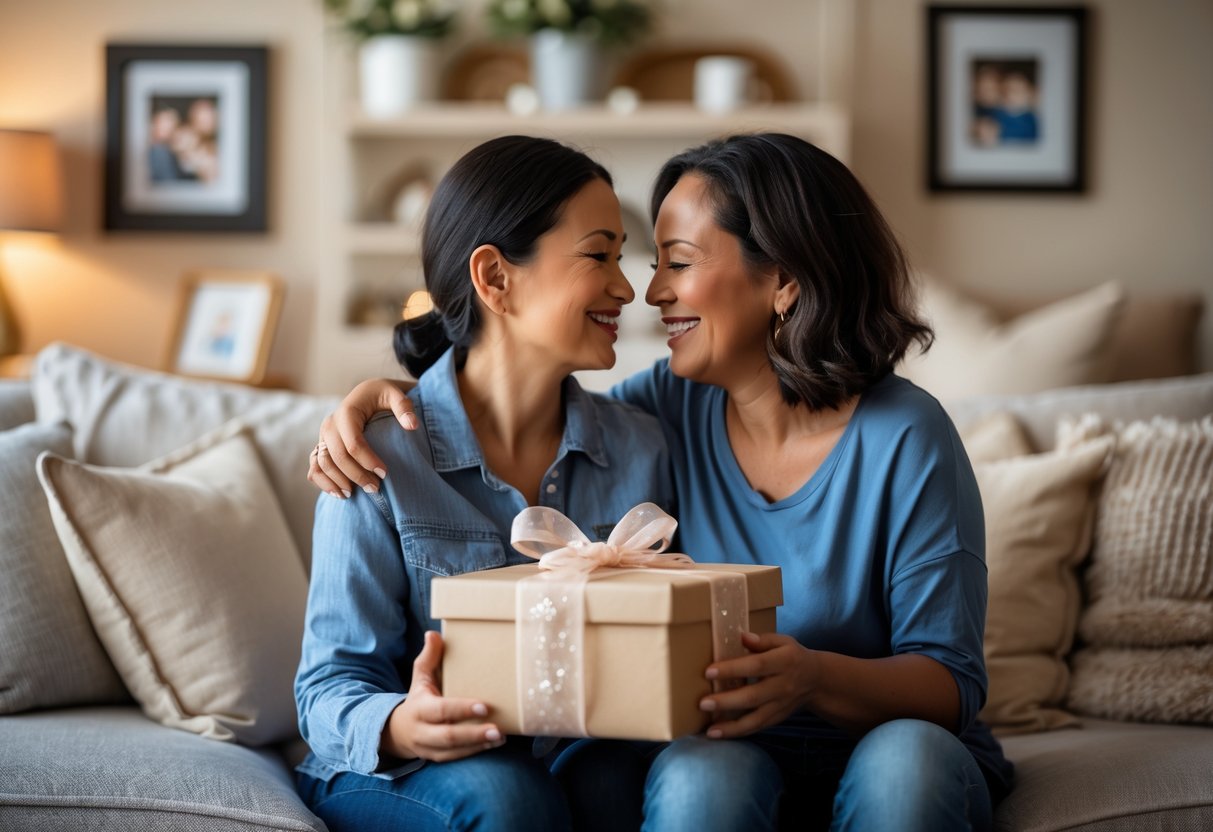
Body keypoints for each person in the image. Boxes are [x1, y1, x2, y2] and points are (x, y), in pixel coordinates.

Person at [308, 133, 1014, 831]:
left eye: (671, 261)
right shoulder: (658, 412)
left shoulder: (886, 434)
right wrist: (380, 403)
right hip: (695, 753)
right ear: (495, 277)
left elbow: (951, 678)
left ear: (784, 282)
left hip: (885, 742)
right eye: (614, 258)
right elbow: (488, 387)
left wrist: (813, 677)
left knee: (897, 766)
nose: (642, 290)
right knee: (688, 774)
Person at [293, 135, 683, 832]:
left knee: (627, 777)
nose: (627, 289)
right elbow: (327, 688)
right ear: (495, 277)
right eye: (599, 255)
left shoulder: (641, 447)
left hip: (571, 754)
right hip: (400, 771)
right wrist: (404, 725)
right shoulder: (376, 456)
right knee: (511, 798)